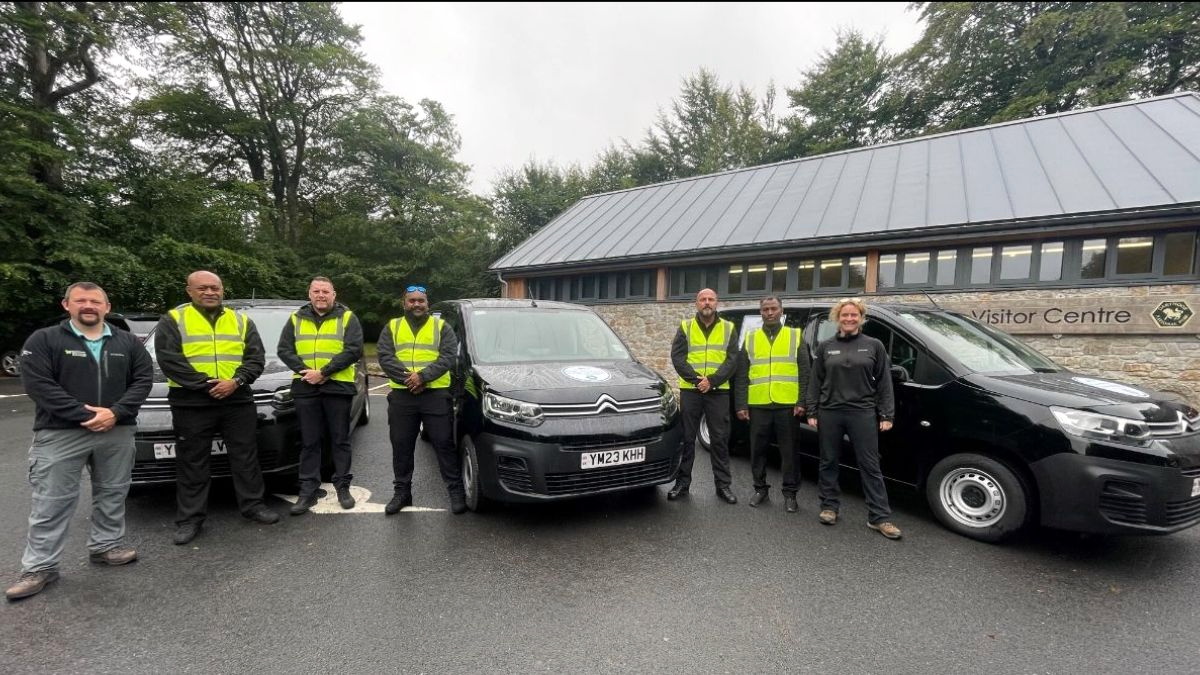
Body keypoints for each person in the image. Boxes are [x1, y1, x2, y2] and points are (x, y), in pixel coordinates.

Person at [6, 282, 153, 600]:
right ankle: (40, 567)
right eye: (81, 300)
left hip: (117, 429)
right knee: (52, 501)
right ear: (66, 305)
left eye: (95, 301)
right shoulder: (44, 340)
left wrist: (116, 412)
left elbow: (142, 380)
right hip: (61, 432)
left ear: (107, 307)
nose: (89, 305)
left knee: (113, 492)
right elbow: (38, 384)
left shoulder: (127, 342)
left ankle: (106, 546)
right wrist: (83, 414)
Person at [155, 270, 280, 546]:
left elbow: (255, 358)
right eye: (202, 288)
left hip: (236, 398)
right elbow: (169, 360)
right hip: (192, 401)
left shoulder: (240, 321)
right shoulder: (173, 320)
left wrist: (235, 381)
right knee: (192, 461)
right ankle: (190, 519)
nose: (209, 292)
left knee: (246, 456)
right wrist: (206, 385)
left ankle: (253, 506)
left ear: (222, 290)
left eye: (215, 288)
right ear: (189, 291)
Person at [806, 298, 902, 539]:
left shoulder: (874, 345)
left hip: (862, 412)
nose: (849, 319)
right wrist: (811, 410)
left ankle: (879, 517)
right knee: (828, 461)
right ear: (837, 318)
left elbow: (884, 382)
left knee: (870, 465)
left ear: (861, 318)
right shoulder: (826, 346)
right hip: (830, 411)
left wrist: (887, 414)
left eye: (854, 315)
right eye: (845, 315)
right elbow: (815, 382)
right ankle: (829, 507)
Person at [276, 276, 364, 514]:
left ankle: (343, 486)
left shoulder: (347, 317)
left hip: (337, 387)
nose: (321, 295)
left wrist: (324, 372)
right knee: (310, 441)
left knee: (340, 440)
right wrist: (307, 372)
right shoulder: (296, 318)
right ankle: (308, 490)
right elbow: (284, 350)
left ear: (334, 295)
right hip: (306, 387)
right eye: (316, 291)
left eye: (326, 291)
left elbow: (354, 350)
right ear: (310, 294)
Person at [377, 285, 465, 515]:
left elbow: (448, 356)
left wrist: (423, 377)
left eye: (421, 301)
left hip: (435, 394)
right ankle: (402, 493)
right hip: (403, 396)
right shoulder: (393, 327)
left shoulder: (441, 326)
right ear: (404, 303)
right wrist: (411, 380)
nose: (417, 304)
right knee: (401, 446)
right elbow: (385, 357)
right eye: (412, 300)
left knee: (444, 444)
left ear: (428, 303)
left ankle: (455, 491)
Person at [734, 296, 807, 513]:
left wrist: (802, 401)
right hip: (758, 404)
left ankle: (790, 493)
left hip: (787, 404)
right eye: (765, 309)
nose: (769, 313)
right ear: (761, 313)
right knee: (757, 452)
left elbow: (805, 371)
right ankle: (760, 489)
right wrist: (741, 404)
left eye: (773, 308)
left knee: (789, 453)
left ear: (781, 311)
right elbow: (742, 375)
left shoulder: (795, 335)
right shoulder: (751, 338)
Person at [668, 288, 739, 504]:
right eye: (703, 299)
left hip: (718, 391)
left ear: (717, 303)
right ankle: (682, 484)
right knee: (687, 438)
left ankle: (723, 486)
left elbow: (733, 359)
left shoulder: (729, 328)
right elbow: (677, 357)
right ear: (696, 303)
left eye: (711, 299)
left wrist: (713, 381)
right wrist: (697, 380)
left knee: (719, 439)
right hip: (691, 390)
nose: (707, 302)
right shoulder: (685, 327)